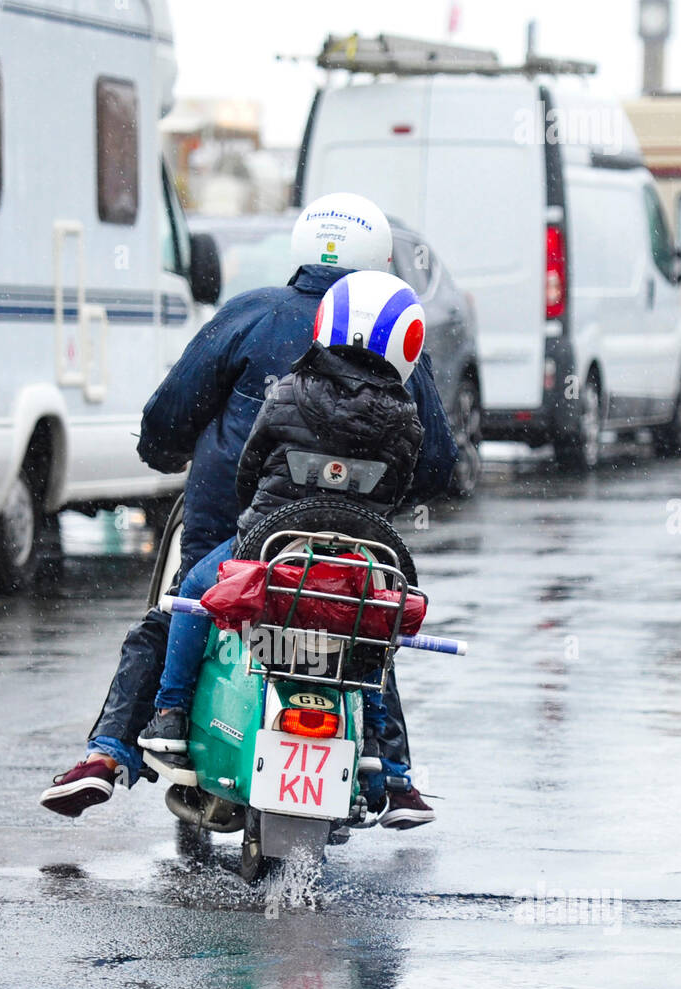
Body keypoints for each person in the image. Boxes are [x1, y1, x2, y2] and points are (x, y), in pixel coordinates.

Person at [41, 194, 457, 821]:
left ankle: (119, 747)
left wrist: (168, 452)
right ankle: (391, 773)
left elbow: (179, 420)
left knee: (174, 611)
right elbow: (435, 471)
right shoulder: (401, 362)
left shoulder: (251, 321)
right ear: (383, 263)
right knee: (358, 626)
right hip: (355, 549)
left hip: (245, 534)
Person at [137, 270, 434, 829]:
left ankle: (170, 712)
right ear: (407, 342)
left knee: (194, 593)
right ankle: (384, 759)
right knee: (367, 639)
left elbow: (249, 473)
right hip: (358, 565)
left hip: (271, 549)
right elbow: (399, 492)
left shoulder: (288, 391)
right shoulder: (406, 419)